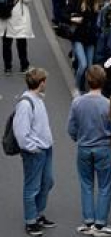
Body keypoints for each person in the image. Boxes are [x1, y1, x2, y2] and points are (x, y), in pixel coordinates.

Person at [67, 65, 111, 236]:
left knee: (86, 184)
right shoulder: (108, 104)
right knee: (105, 186)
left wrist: (79, 138)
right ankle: (100, 223)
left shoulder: (77, 102)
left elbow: (71, 128)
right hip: (103, 148)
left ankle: (88, 220)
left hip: (84, 147)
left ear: (88, 81)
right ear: (103, 81)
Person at [13, 68, 56, 236]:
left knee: (47, 182)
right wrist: (34, 148)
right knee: (32, 187)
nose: (46, 83)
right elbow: (21, 134)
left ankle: (38, 214)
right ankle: (31, 221)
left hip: (45, 148)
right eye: (45, 81)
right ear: (41, 83)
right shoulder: (25, 103)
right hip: (35, 152)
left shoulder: (37, 99)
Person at [1, 0, 34, 74]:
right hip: (18, 14)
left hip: (4, 12)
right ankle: (24, 66)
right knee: (21, 40)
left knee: (6, 42)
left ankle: (7, 67)